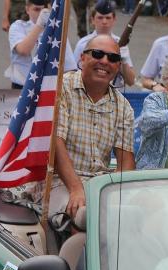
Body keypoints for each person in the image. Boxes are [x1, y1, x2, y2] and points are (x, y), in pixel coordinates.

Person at [48, 35, 135, 225]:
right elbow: (56, 144)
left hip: (100, 185)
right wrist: (76, 188)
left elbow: (125, 165)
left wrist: (123, 197)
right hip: (58, 183)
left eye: (112, 58)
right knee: (83, 214)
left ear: (118, 66)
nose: (105, 61)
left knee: (137, 214)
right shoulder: (61, 88)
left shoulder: (124, 106)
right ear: (82, 58)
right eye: (97, 54)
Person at [5, 0, 77, 89]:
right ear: (27, 9)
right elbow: (23, 50)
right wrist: (39, 25)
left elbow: (69, 67)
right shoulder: (18, 26)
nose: (40, 14)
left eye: (44, 11)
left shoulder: (56, 31)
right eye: (36, 10)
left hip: (47, 88)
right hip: (22, 87)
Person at [74, 0, 136, 87]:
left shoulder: (121, 43)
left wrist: (124, 61)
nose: (104, 22)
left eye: (108, 18)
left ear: (114, 20)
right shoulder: (83, 44)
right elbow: (74, 75)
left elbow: (131, 81)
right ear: (92, 20)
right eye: (100, 17)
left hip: (115, 95)